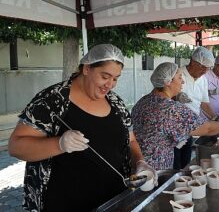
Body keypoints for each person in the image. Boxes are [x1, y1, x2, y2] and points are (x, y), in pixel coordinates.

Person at [8, 44, 156, 212]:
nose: (110, 85)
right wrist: (59, 144)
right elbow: (16, 146)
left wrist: (140, 161)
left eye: (115, 78)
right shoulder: (52, 101)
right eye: (105, 76)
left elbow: (131, 140)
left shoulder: (116, 103)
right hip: (65, 203)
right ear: (86, 69)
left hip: (113, 200)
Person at [131, 62, 219, 170]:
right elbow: (208, 129)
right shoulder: (171, 109)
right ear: (168, 82)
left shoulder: (142, 101)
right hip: (155, 170)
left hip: (136, 164)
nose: (183, 81)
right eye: (179, 77)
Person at [174, 46, 217, 170]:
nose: (204, 71)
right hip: (174, 130)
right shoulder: (177, 74)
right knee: (174, 166)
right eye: (202, 67)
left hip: (191, 129)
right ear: (193, 62)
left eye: (207, 69)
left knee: (186, 163)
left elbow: (204, 103)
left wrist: (216, 117)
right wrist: (176, 97)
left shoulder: (203, 80)